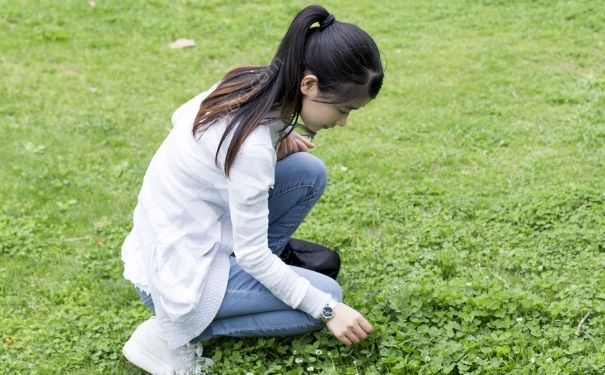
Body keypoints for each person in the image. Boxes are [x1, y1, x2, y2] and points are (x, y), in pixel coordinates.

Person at [121, 4, 384, 374]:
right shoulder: (253, 147)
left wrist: (280, 137)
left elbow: (180, 116)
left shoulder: (248, 81)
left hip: (177, 239)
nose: (342, 122)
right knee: (327, 300)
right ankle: (168, 333)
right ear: (308, 84)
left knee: (308, 171)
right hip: (175, 276)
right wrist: (327, 310)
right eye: (343, 110)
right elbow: (253, 256)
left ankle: (237, 295)